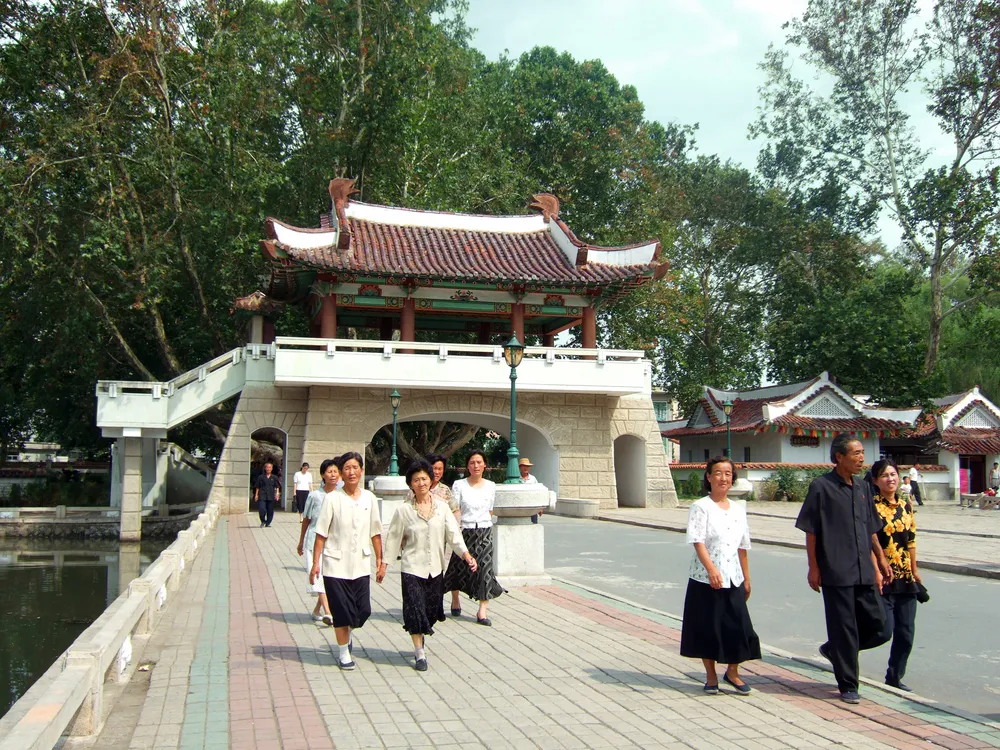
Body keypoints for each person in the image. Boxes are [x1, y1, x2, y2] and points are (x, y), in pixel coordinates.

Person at [795, 434, 893, 704]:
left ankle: (835, 649)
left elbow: (870, 527)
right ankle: (848, 684)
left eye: (863, 452)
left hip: (863, 570)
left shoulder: (862, 487)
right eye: (856, 453)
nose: (862, 458)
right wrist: (813, 568)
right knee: (844, 628)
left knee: (880, 626)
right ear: (839, 457)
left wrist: (881, 560)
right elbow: (811, 530)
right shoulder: (821, 487)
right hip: (836, 571)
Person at [379, 459, 478, 671]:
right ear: (411, 484)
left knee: (431, 612)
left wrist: (466, 555)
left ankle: (422, 633)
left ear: (430, 480)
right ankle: (419, 652)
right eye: (416, 480)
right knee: (414, 609)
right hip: (412, 568)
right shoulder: (404, 511)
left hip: (435, 569)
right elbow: (394, 538)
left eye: (424, 478)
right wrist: (384, 564)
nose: (421, 483)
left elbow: (453, 534)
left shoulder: (442, 508)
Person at [680, 456, 760, 695]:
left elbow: (742, 546)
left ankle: (733, 672)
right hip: (706, 579)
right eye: (718, 473)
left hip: (733, 577)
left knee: (740, 627)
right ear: (709, 477)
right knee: (708, 628)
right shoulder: (700, 507)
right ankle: (711, 675)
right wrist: (712, 570)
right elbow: (698, 541)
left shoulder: (738, 510)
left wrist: (747, 578)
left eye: (727, 473)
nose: (723, 478)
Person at [309, 452, 383, 671]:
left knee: (363, 611)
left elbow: (376, 532)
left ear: (361, 470)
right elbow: (320, 534)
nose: (351, 472)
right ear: (341, 473)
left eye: (355, 467)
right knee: (341, 612)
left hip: (360, 563)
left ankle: (347, 633)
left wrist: (380, 560)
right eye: (347, 468)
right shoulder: (332, 498)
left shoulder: (369, 498)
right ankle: (343, 652)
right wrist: (316, 563)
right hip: (335, 565)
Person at [870, 458, 922, 692]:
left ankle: (894, 676)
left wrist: (915, 569)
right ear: (875, 481)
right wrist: (876, 571)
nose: (890, 479)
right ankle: (839, 649)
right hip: (883, 577)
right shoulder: (871, 506)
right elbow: (869, 542)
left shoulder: (906, 503)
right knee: (884, 630)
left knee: (906, 632)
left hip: (905, 577)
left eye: (893, 474)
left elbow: (911, 539)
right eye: (884, 476)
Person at [443, 449, 505, 625]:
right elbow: (455, 509)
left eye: (479, 462)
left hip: (484, 531)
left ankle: (482, 611)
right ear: (467, 466)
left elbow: (490, 510)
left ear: (485, 465)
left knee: (485, 569)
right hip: (465, 531)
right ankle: (455, 599)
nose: (476, 466)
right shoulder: (459, 485)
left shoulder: (491, 486)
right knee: (458, 566)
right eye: (472, 462)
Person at [297, 458, 339, 625]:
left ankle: (317, 610)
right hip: (312, 542)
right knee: (318, 576)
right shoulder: (314, 496)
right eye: (330, 471)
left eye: (336, 471)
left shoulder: (341, 496)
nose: (333, 475)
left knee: (328, 578)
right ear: (323, 474)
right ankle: (328, 613)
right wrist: (300, 542)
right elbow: (307, 520)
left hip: (333, 544)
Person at [253, 461, 281, 528]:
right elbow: (257, 486)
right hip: (262, 495)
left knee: (270, 510)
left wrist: (277, 494)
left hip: (271, 496)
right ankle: (263, 521)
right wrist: (256, 495)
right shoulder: (261, 477)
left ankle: (268, 522)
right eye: (267, 467)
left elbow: (277, 486)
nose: (268, 469)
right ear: (265, 468)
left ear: (272, 469)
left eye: (270, 467)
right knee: (261, 509)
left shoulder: (274, 477)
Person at [519, 457, 544, 524]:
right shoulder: (517, 479)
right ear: (520, 467)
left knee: (533, 525)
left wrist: (540, 507)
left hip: (532, 506)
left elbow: (538, 492)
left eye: (527, 466)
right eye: (524, 466)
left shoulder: (533, 479)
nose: (526, 468)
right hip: (521, 507)